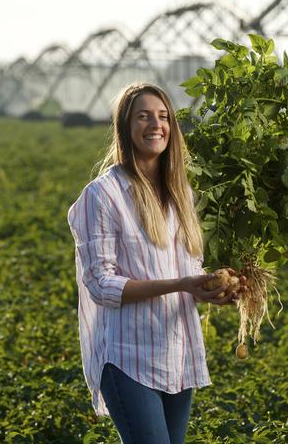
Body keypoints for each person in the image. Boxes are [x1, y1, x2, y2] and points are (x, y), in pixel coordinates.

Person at [68, 83, 234, 444]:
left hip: (177, 352)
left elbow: (190, 268)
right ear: (125, 128)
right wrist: (179, 285)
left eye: (162, 117)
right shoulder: (104, 195)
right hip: (129, 358)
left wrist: (208, 289)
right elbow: (100, 283)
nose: (154, 125)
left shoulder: (182, 193)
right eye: (142, 116)